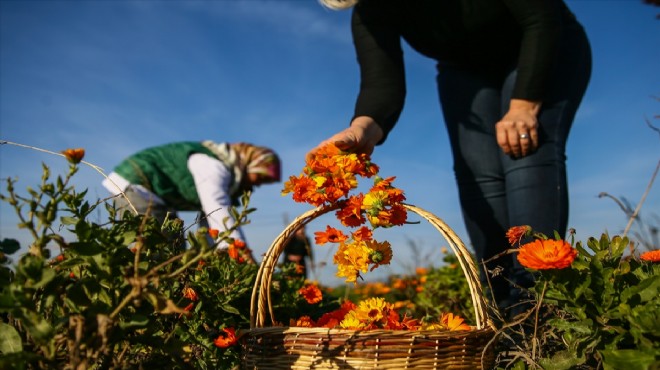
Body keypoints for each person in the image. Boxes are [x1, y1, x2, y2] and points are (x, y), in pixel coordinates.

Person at [312, 0, 592, 318]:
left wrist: (523, 106)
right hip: (464, 69)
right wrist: (361, 129)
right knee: (478, 176)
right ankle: (502, 311)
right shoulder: (370, 10)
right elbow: (382, 84)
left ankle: (538, 305)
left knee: (525, 154)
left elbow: (539, 19)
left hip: (540, 40)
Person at [102, 141, 281, 257]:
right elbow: (217, 209)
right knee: (151, 253)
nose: (257, 186)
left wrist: (218, 255)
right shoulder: (214, 166)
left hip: (159, 198)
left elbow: (211, 225)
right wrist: (240, 252)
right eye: (261, 178)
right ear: (250, 163)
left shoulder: (230, 177)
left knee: (175, 250)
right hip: (136, 185)